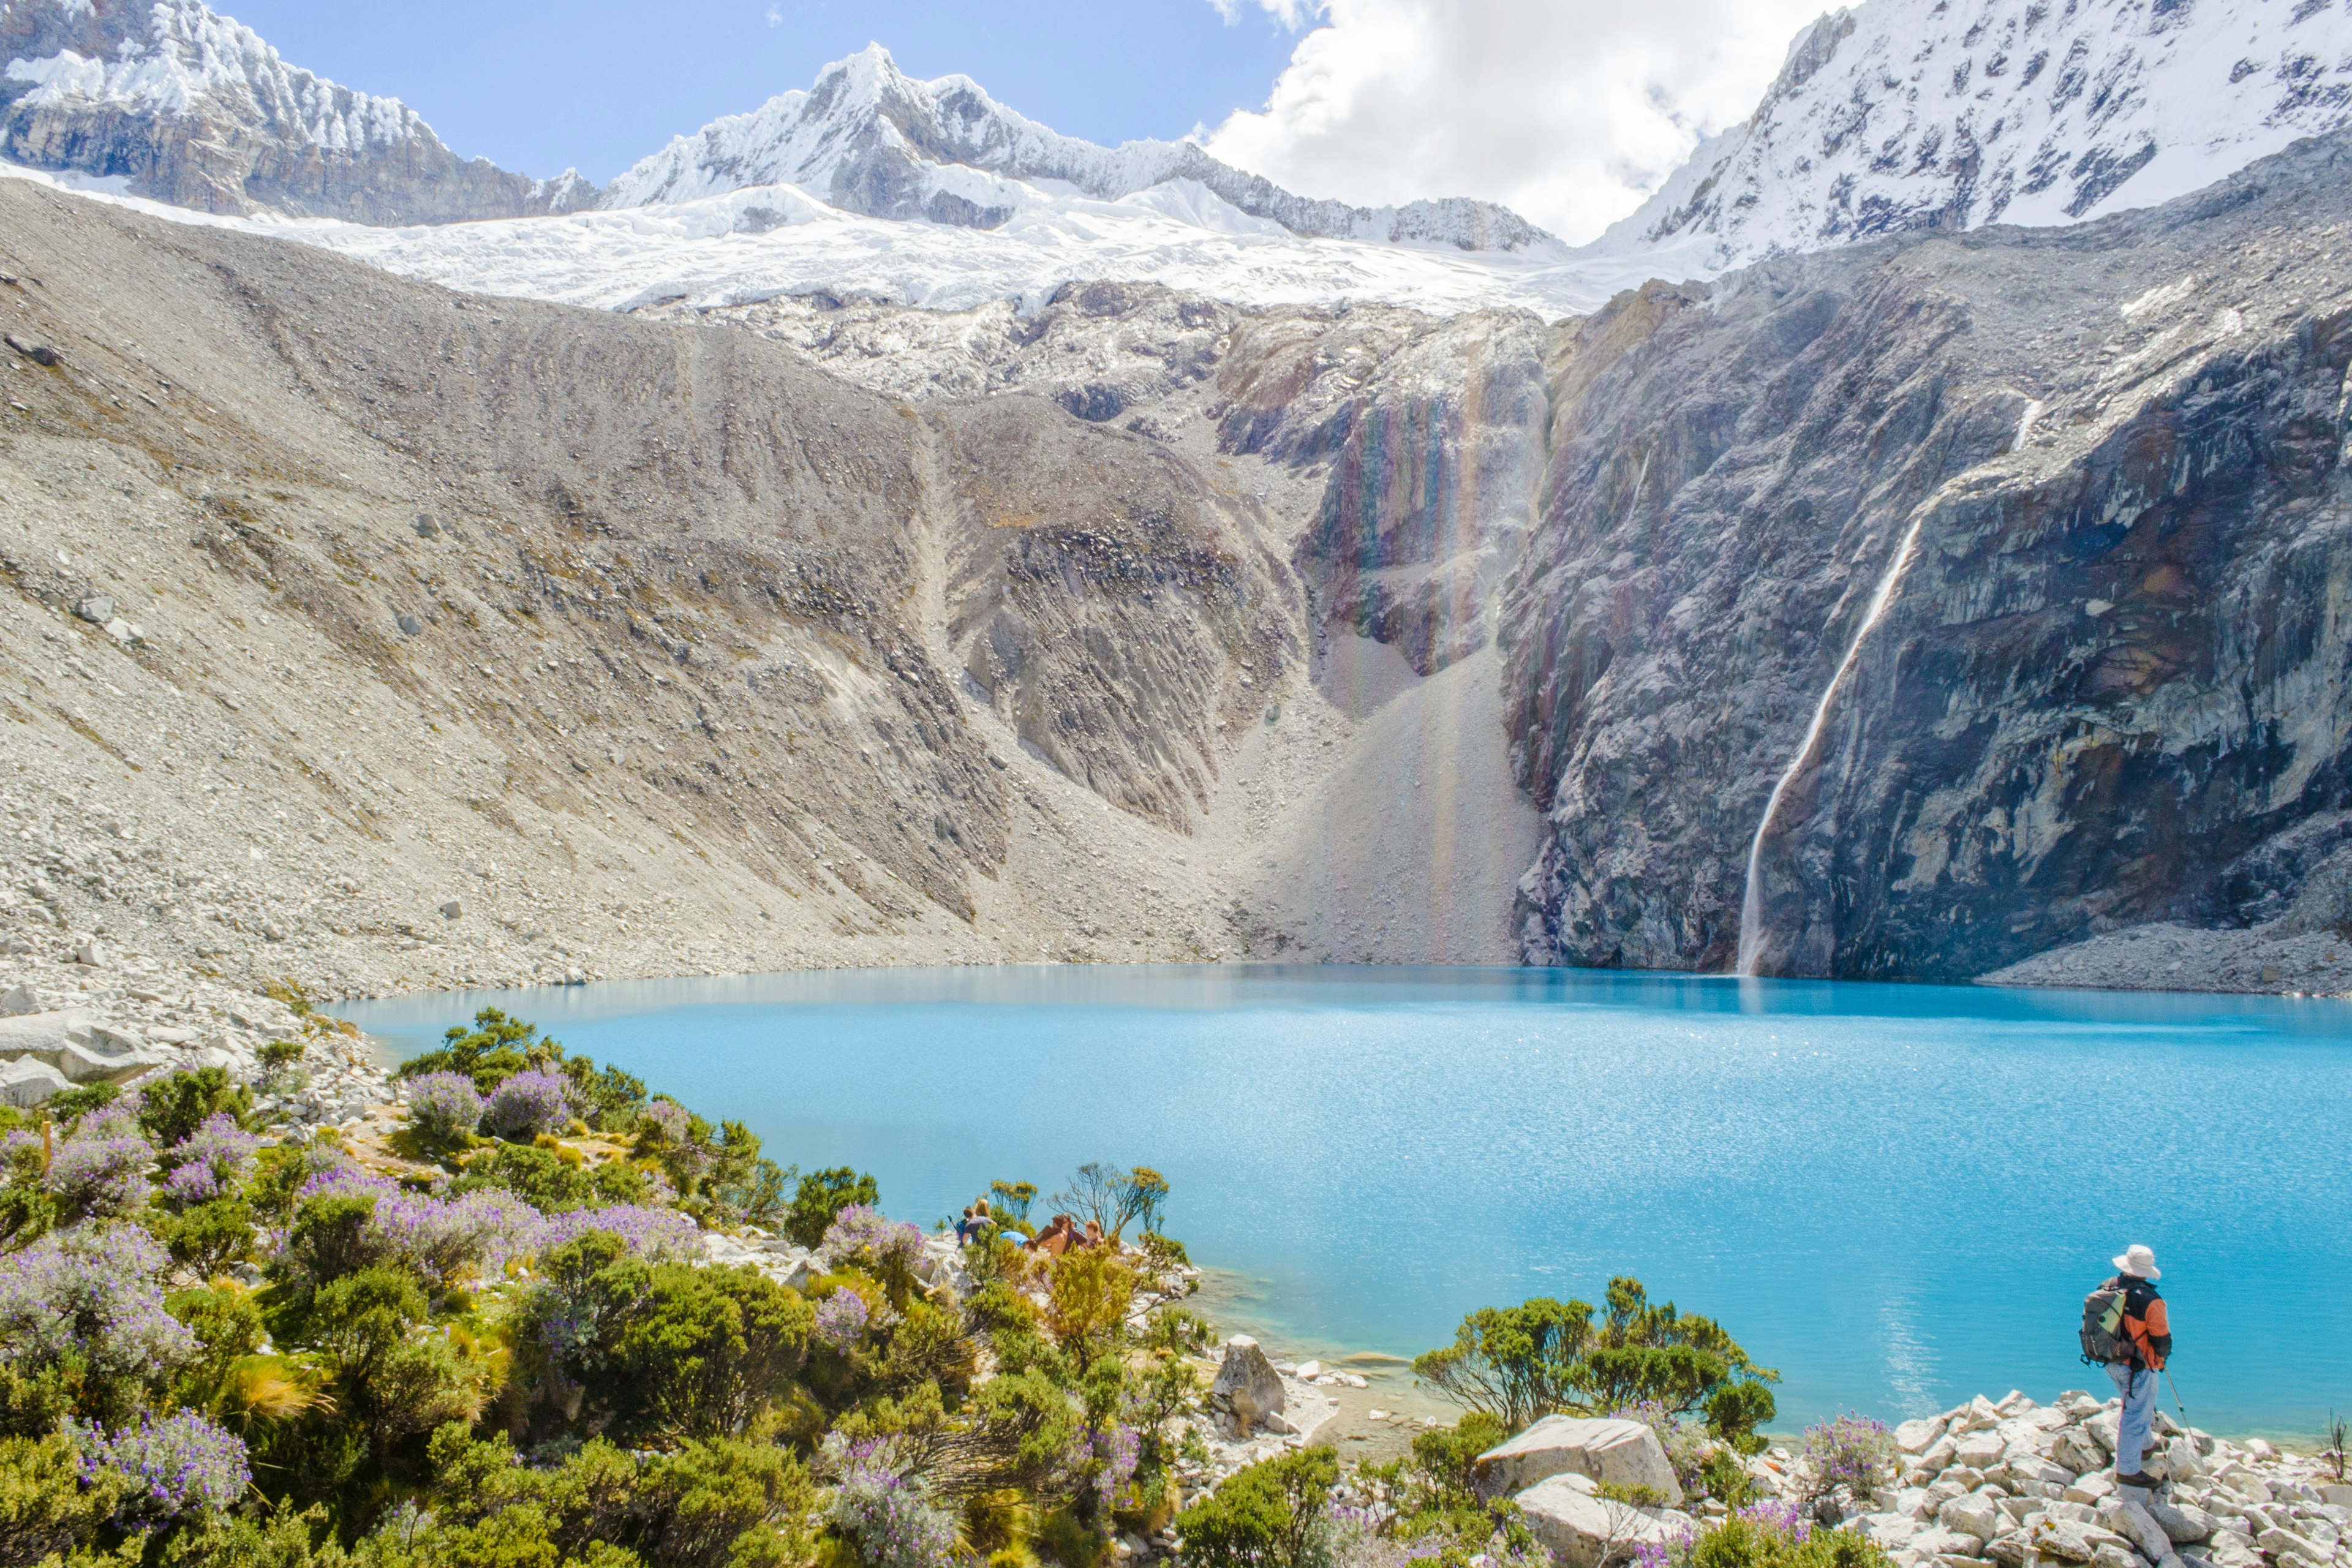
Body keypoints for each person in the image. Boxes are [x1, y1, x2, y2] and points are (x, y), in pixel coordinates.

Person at [2101, 1243, 2173, 1490]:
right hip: (2138, 1365)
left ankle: (2144, 1445)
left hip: (2112, 1359)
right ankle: (2128, 1470)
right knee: (2136, 1415)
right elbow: (2161, 1339)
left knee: (2132, 1404)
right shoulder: (2151, 1300)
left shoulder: (2108, 1286)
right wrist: (2162, 1356)